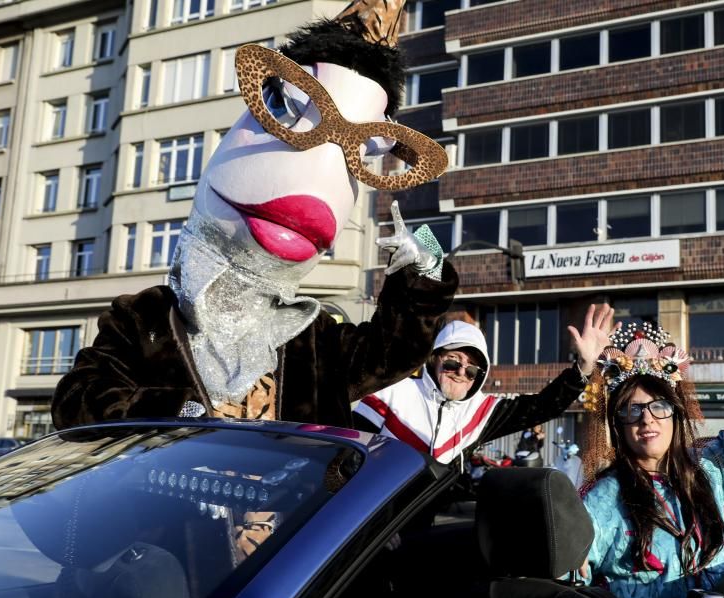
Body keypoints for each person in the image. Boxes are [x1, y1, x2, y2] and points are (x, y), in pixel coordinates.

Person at [51, 0, 456, 432]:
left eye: (361, 150)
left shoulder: (311, 337)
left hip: (292, 501)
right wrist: (184, 414)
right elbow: (79, 401)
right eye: (289, 107)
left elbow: (394, 352)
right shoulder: (147, 318)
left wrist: (428, 257)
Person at [577, 321, 724, 598]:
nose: (647, 418)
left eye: (659, 406)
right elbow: (569, 574)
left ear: (676, 414)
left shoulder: (705, 470)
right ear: (618, 426)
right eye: (632, 410)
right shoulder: (603, 498)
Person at [353, 304, 617, 465]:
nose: (460, 374)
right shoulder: (392, 394)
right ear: (434, 360)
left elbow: (542, 407)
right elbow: (348, 456)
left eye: (471, 371)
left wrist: (584, 366)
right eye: (451, 363)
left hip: (430, 529)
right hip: (376, 524)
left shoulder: (481, 412)